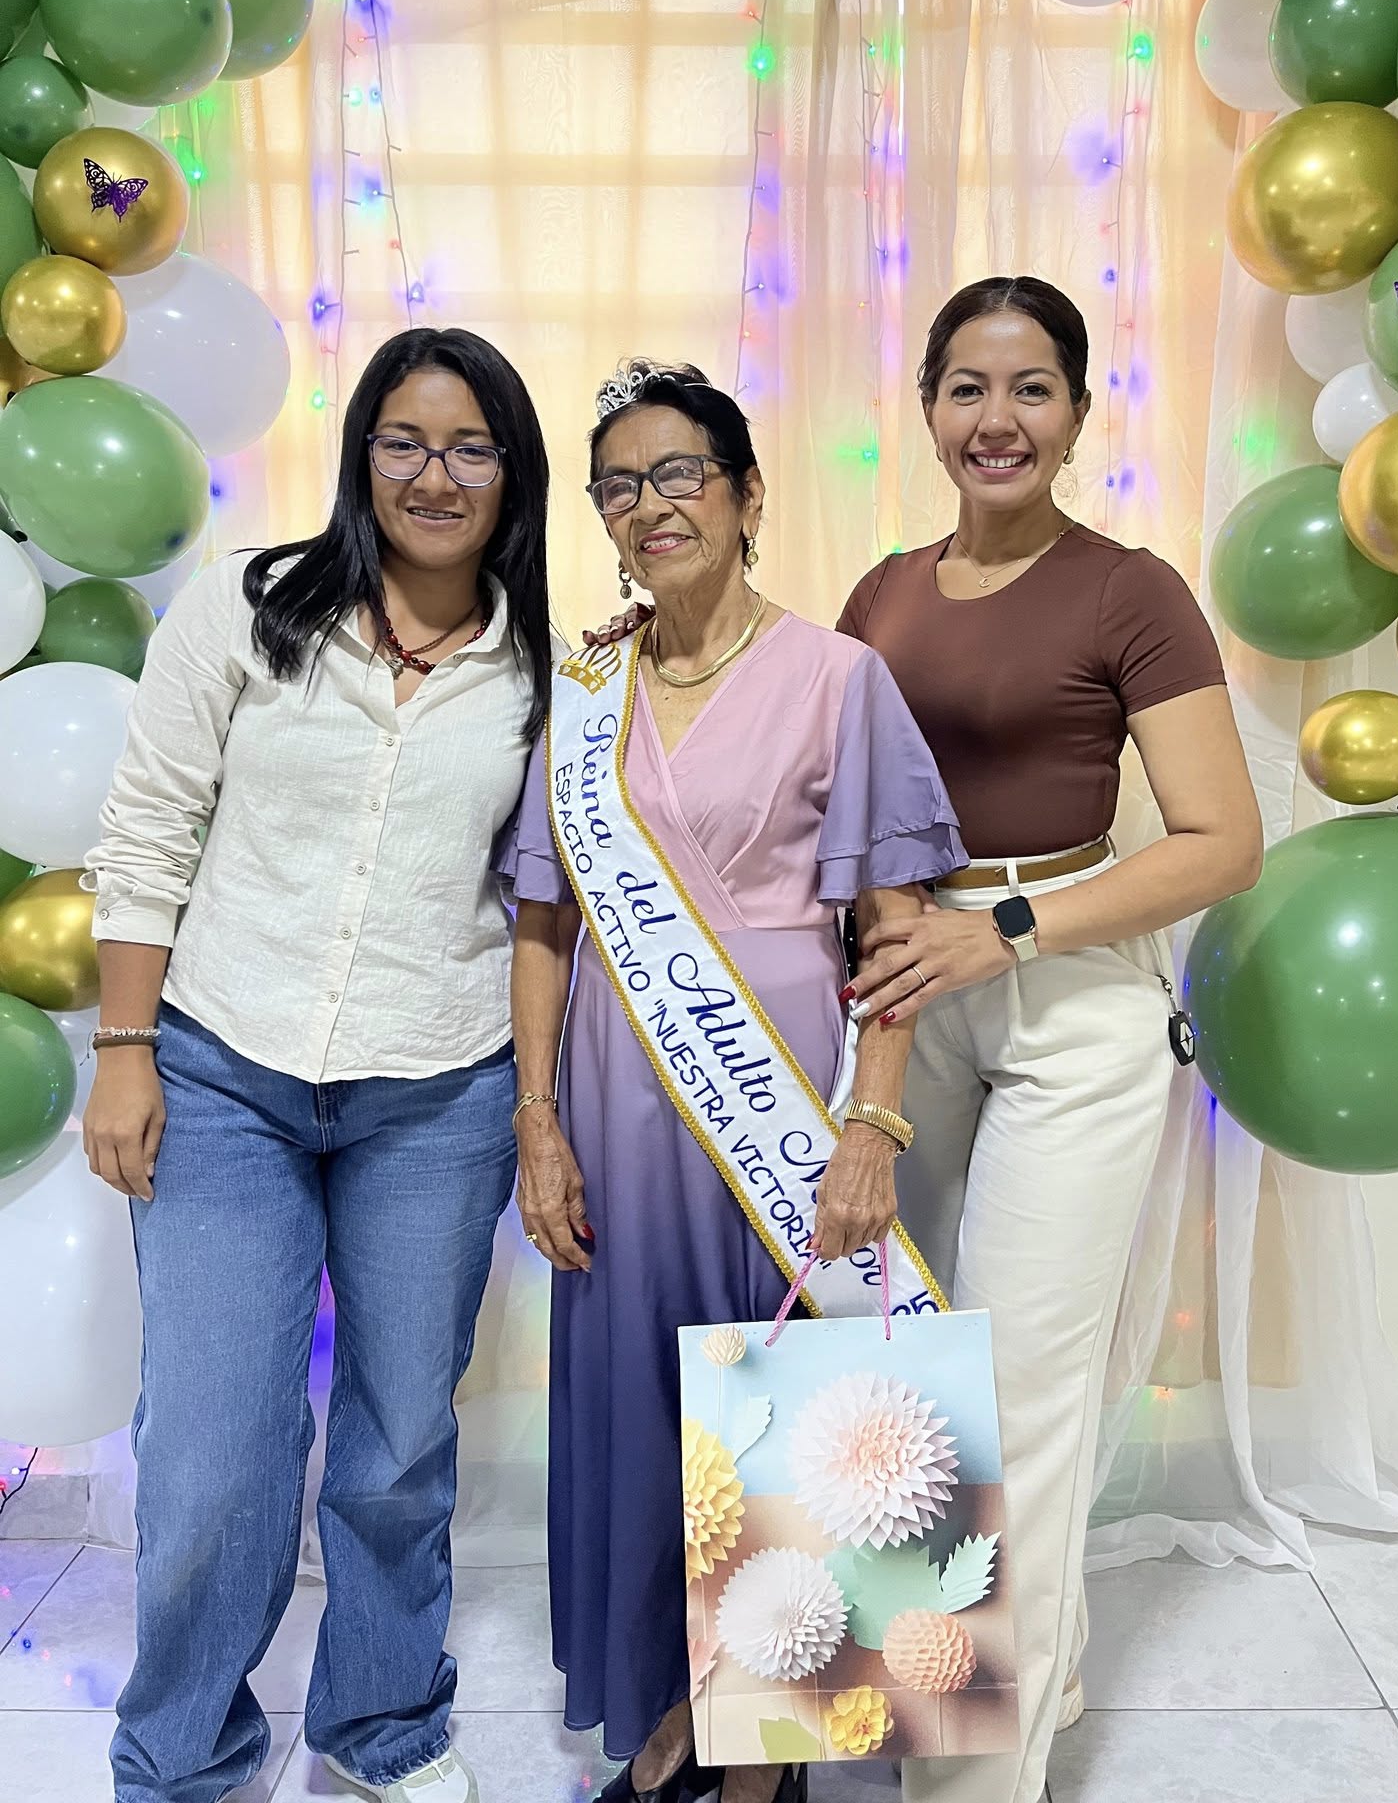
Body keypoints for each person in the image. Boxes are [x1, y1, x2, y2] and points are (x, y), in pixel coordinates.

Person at [82, 327, 553, 1803]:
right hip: (225, 1070)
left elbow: (552, 890)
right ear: (362, 455)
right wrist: (123, 1048)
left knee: (401, 1440)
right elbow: (148, 829)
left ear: (512, 473)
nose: (434, 474)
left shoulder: (548, 668)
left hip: (439, 1087)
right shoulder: (246, 606)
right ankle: (181, 1756)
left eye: (470, 447)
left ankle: (382, 1723)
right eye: (404, 442)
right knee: (213, 1446)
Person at [502, 359, 964, 1803]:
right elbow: (542, 920)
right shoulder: (587, 689)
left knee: (778, 1402)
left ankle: (757, 1753)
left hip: (780, 1090)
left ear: (748, 494)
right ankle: (674, 1706)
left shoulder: (840, 677)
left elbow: (893, 928)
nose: (650, 507)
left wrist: (872, 1125)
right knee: (646, 1409)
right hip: (608, 1094)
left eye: (680, 474)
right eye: (618, 488)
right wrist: (536, 1123)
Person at [836, 276, 1263, 1803]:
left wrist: (1004, 931)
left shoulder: (1130, 590)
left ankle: (970, 1781)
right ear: (928, 408)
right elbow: (851, 815)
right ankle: (1014, 1669)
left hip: (1069, 997)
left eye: (1031, 388)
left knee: (1013, 1391)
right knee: (898, 1368)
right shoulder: (882, 593)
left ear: (1078, 413)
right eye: (968, 386)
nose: (997, 418)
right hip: (909, 999)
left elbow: (1222, 841)